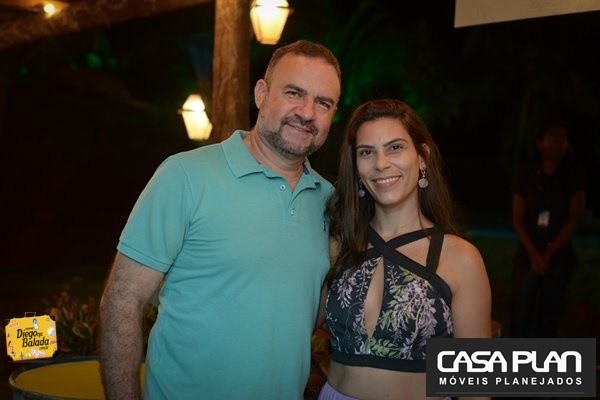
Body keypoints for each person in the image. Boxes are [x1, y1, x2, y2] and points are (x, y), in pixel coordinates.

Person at [99, 39, 342, 400]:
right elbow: (122, 301)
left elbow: (314, 313)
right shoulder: (185, 176)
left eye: (323, 103)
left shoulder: (330, 202)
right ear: (261, 94)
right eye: (294, 93)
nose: (307, 113)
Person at [317, 99, 492, 400]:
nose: (381, 163)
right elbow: (294, 325)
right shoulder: (339, 245)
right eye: (367, 152)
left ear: (422, 157)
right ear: (356, 167)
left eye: (395, 147)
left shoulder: (461, 259)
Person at [509, 120, 587, 338]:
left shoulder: (574, 176)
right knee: (520, 315)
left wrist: (548, 255)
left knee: (549, 319)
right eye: (554, 138)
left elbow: (575, 219)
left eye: (564, 139)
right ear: (539, 143)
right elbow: (517, 218)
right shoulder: (527, 174)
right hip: (528, 255)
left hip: (559, 257)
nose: (560, 143)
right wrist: (535, 255)